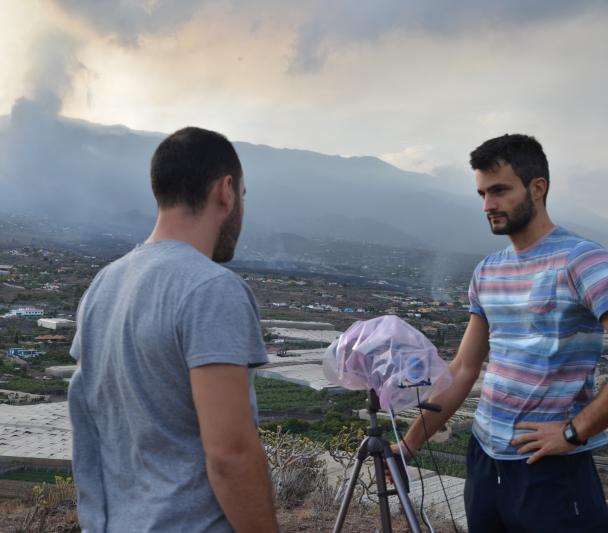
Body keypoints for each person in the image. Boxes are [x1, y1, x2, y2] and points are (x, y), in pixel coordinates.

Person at [68, 127, 279, 532]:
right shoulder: (212, 289)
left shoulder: (104, 284)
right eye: (243, 196)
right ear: (226, 190)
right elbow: (230, 455)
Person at [395, 134, 608, 532]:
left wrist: (575, 431)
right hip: (484, 460)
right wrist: (408, 445)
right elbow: (462, 370)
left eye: (499, 191)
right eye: (482, 194)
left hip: (551, 470)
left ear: (538, 188)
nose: (488, 206)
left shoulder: (583, 260)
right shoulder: (488, 271)